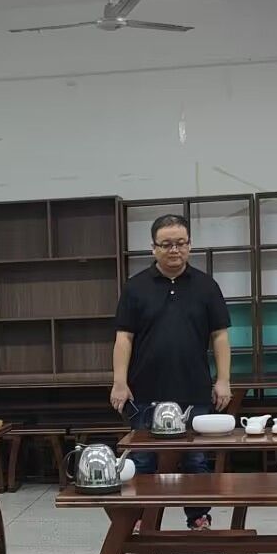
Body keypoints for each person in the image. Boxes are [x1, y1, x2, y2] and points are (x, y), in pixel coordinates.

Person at [111, 213, 233, 529]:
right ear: (153, 248)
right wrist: (119, 382)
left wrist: (223, 380)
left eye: (180, 243)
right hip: (145, 389)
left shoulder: (207, 286)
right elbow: (124, 338)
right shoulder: (135, 287)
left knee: (196, 459)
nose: (174, 250)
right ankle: (140, 519)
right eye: (166, 244)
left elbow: (220, 336)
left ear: (189, 245)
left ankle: (199, 517)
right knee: (142, 458)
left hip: (194, 388)